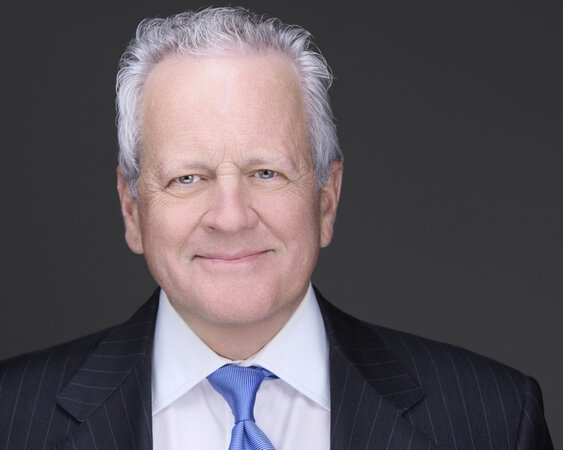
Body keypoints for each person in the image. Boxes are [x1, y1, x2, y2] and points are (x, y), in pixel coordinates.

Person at [0, 6, 553, 449]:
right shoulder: (11, 419)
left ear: (326, 199)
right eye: (187, 178)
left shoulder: (495, 419)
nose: (230, 217)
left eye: (266, 172)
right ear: (132, 209)